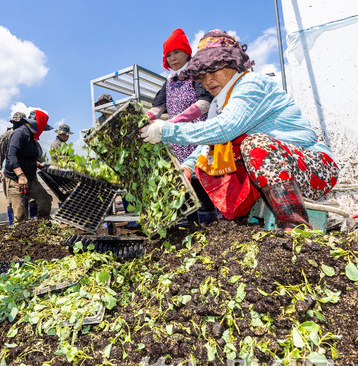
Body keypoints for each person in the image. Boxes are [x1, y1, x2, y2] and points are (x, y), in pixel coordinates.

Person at [140, 29, 339, 230]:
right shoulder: (219, 102)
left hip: (315, 167)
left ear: (233, 63)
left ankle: (296, 229)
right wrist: (188, 167)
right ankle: (247, 221)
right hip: (280, 171)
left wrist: (167, 131)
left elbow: (225, 128)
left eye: (214, 70)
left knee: (254, 145)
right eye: (202, 75)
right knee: (215, 160)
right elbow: (207, 143)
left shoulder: (251, 84)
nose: (208, 80)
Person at [146, 28, 214, 164]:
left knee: (199, 178)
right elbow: (158, 108)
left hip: (198, 139)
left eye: (176, 52)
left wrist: (174, 121)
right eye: (168, 55)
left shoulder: (196, 75)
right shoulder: (169, 82)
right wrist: (142, 119)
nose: (172, 58)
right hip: (176, 143)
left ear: (187, 53)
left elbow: (204, 104)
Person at [3, 110, 54, 223]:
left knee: (45, 200)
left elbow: (29, 155)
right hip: (15, 179)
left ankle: (43, 227)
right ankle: (19, 236)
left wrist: (38, 162)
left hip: (30, 179)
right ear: (38, 124)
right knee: (20, 214)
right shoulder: (19, 133)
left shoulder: (32, 138)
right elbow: (12, 155)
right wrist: (20, 175)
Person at [0, 112, 26, 225]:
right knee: (12, 201)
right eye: (16, 122)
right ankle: (13, 224)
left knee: (24, 200)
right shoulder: (6, 136)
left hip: (23, 174)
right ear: (12, 122)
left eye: (21, 122)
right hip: (10, 175)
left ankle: (27, 224)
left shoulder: (25, 135)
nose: (18, 124)